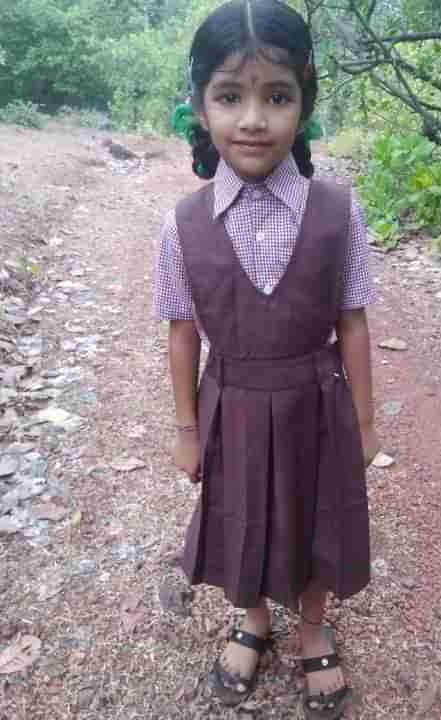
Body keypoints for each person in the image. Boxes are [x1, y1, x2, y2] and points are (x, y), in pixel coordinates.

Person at [153, 2, 379, 717]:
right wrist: (187, 429)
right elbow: (183, 332)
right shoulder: (183, 225)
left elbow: (353, 321)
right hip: (234, 403)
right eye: (230, 96)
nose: (253, 119)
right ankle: (253, 620)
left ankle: (312, 625)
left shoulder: (339, 213)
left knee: (320, 514)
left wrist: (367, 422)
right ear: (200, 106)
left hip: (317, 401)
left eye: (276, 96)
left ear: (304, 101)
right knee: (239, 513)